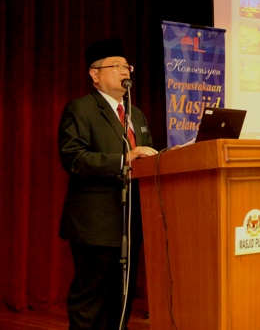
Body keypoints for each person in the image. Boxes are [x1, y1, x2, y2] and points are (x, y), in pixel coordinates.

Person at [58, 38, 158, 329]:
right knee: (90, 299)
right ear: (95, 74)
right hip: (95, 223)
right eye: (116, 66)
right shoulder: (81, 109)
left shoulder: (135, 114)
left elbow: (146, 155)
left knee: (121, 298)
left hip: (130, 223)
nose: (125, 71)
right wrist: (124, 159)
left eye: (127, 66)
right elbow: (74, 158)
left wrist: (166, 158)